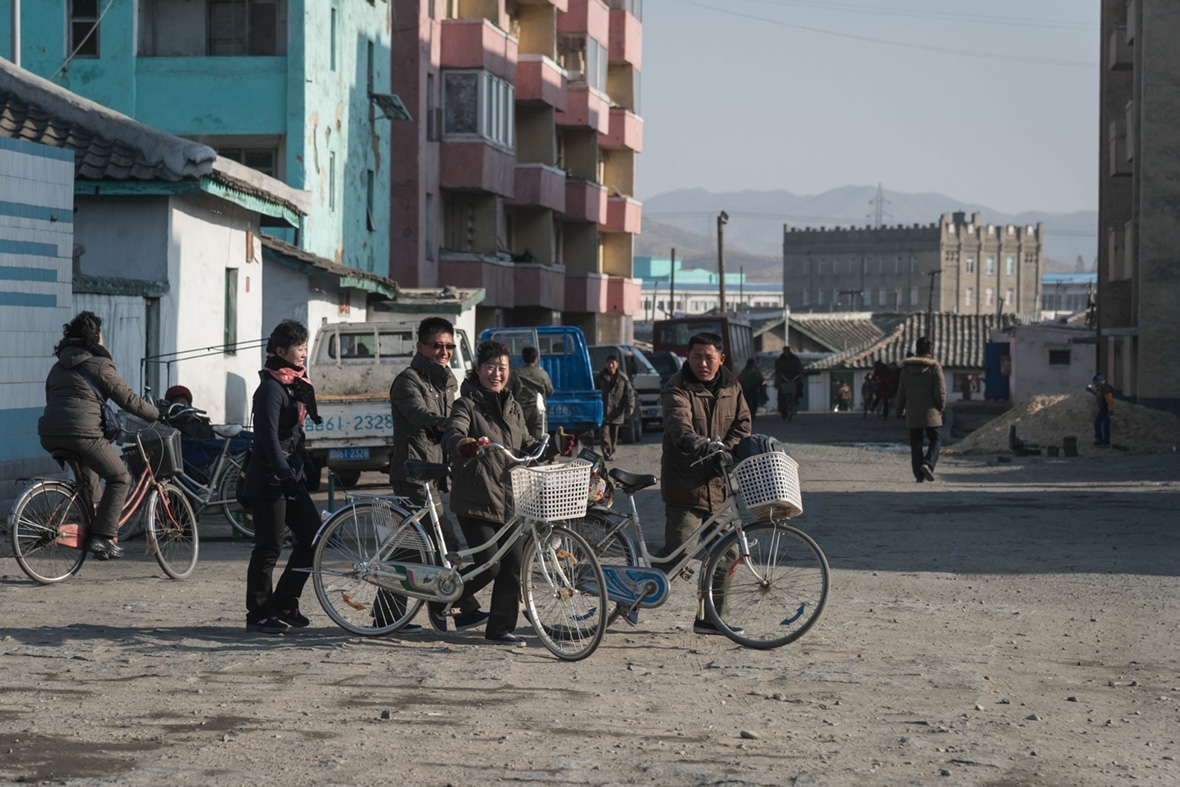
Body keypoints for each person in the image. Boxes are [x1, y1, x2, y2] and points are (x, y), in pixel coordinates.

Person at [38, 311, 161, 560]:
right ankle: (103, 538)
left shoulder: (57, 367)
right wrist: (158, 414)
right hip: (83, 434)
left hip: (50, 433)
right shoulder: (98, 364)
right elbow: (128, 400)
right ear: (94, 339)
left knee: (91, 484)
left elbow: (51, 399)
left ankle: (94, 531)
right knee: (119, 477)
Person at [387, 316, 484, 630]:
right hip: (413, 472)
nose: (445, 351)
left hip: (436, 471)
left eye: (449, 346)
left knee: (409, 548)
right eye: (438, 346)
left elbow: (459, 411)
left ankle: (387, 615)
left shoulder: (447, 379)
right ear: (421, 346)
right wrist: (444, 424)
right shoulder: (408, 380)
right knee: (443, 542)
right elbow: (418, 414)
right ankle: (457, 606)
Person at [442, 340, 540, 645]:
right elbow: (453, 432)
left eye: (502, 367)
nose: (496, 374)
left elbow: (525, 442)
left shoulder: (513, 406)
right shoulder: (466, 404)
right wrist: (463, 444)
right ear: (478, 369)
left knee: (512, 567)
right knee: (489, 565)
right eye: (490, 367)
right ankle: (444, 597)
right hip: (476, 499)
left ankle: (499, 630)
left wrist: (545, 447)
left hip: (511, 500)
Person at [659, 333, 752, 635]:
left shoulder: (732, 386)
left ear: (721, 359)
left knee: (726, 554)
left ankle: (712, 620)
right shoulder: (677, 386)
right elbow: (678, 421)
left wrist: (729, 447)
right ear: (688, 356)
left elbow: (743, 422)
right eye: (697, 356)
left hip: (719, 485)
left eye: (709, 357)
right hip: (685, 485)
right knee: (677, 554)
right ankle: (629, 593)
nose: (702, 363)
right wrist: (693, 442)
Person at [243, 320, 323, 635]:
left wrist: (304, 467)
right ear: (280, 351)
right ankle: (259, 612)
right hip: (269, 481)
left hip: (291, 477)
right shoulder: (270, 390)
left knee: (313, 536)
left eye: (305, 346)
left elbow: (293, 435)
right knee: (268, 547)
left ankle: (286, 600)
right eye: (299, 348)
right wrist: (285, 475)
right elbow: (267, 440)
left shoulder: (293, 384)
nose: (304, 353)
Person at [895, 336, 946, 483]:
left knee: (916, 443)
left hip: (912, 412)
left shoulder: (906, 369)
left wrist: (898, 410)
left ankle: (919, 475)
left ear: (916, 350)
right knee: (936, 439)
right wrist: (941, 406)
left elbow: (901, 392)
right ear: (930, 350)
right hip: (931, 411)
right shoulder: (934, 367)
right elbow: (940, 391)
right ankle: (928, 463)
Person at [506, 345, 554, 441]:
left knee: (521, 440)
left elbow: (508, 391)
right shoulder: (542, 374)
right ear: (535, 359)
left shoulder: (516, 374)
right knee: (539, 442)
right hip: (538, 412)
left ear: (523, 358)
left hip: (520, 411)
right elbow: (549, 392)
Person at [595, 355, 635, 460]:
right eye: (609, 363)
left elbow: (629, 393)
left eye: (613, 363)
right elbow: (595, 392)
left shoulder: (622, 378)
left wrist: (630, 406)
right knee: (604, 434)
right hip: (603, 410)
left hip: (616, 410)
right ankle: (606, 452)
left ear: (617, 365)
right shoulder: (600, 377)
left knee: (613, 434)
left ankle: (611, 451)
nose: (611, 365)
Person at [774, 345, 805, 418]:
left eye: (788, 351)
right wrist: (780, 375)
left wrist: (801, 374)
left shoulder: (795, 359)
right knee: (781, 394)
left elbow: (799, 367)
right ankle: (783, 411)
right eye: (785, 352)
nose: (786, 353)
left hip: (794, 377)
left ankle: (796, 398)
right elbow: (777, 370)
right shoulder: (779, 360)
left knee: (799, 385)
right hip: (783, 378)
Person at [1088, 374, 1114, 446]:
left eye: (1096, 383)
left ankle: (1106, 442)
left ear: (1100, 382)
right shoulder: (1100, 390)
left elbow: (1110, 402)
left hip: (1107, 411)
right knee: (1097, 424)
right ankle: (1099, 439)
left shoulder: (1106, 390)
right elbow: (1097, 394)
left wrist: (1111, 412)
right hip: (1101, 411)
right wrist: (1091, 390)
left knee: (1106, 427)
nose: (1095, 385)